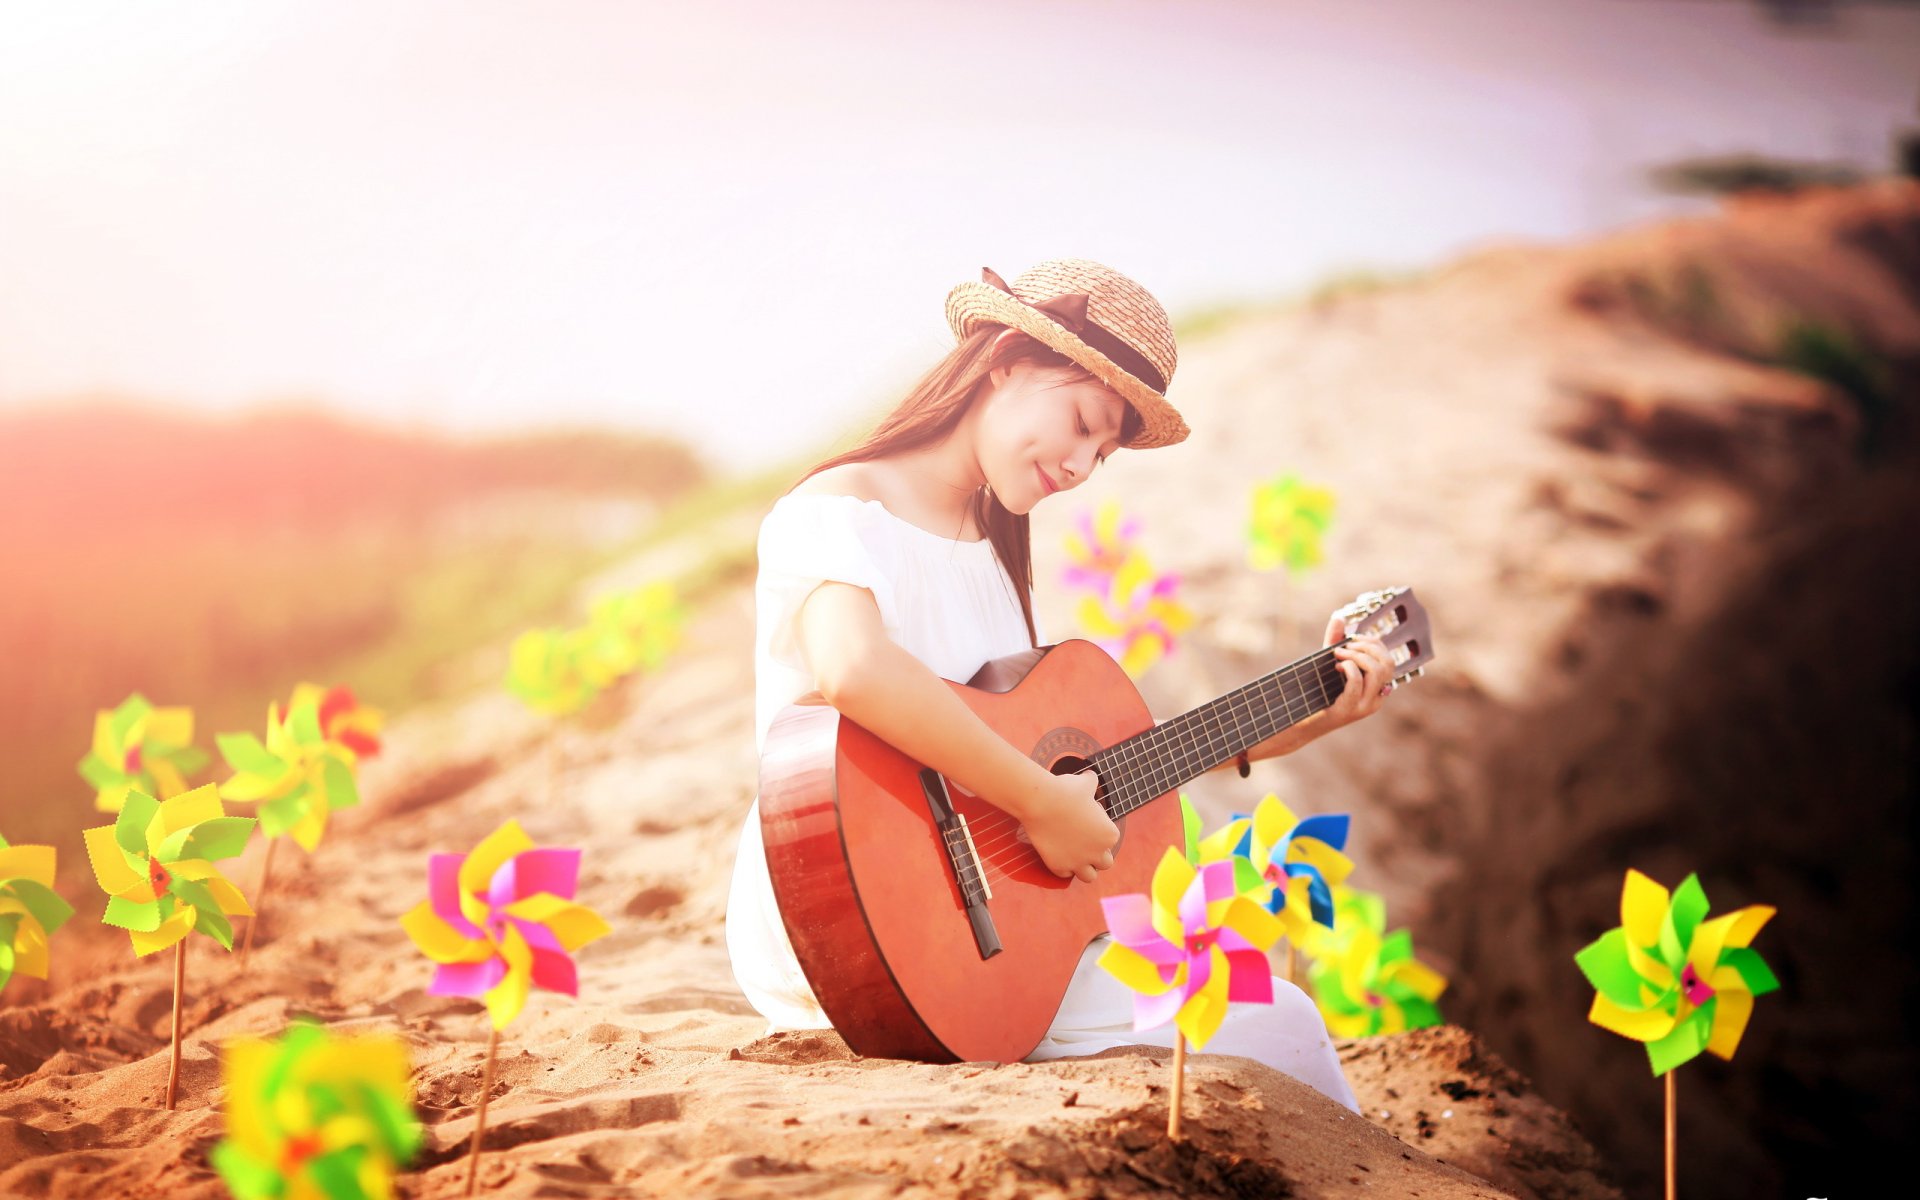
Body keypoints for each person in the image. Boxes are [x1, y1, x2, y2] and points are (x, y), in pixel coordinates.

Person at [724, 258, 1396, 1113]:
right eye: (1081, 422)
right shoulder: (839, 508)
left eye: (1104, 454)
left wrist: (1292, 724)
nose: (1082, 464)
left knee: (1256, 996)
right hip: (847, 917)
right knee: (1284, 1018)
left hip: (984, 921)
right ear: (1005, 358)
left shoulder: (992, 538)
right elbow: (853, 669)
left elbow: (1062, 757)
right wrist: (1039, 801)